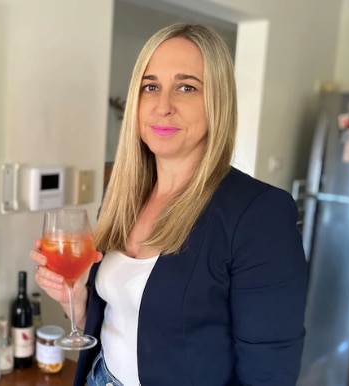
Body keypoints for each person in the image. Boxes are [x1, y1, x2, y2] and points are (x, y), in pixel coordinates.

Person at [31, 24, 307, 386]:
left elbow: (268, 375)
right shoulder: (123, 194)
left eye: (186, 87)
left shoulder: (260, 213)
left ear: (217, 101)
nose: (163, 106)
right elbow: (117, 323)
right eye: (151, 87)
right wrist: (76, 298)